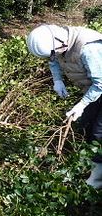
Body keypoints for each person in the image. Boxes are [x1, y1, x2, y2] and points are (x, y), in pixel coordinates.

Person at [27, 24, 102, 189]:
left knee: (98, 133)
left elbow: (100, 84)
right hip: (94, 90)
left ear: (60, 43)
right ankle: (88, 162)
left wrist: (82, 104)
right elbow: (53, 59)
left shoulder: (88, 49)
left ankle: (98, 178)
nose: (52, 57)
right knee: (84, 124)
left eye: (53, 53)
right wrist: (57, 80)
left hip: (100, 86)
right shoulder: (56, 41)